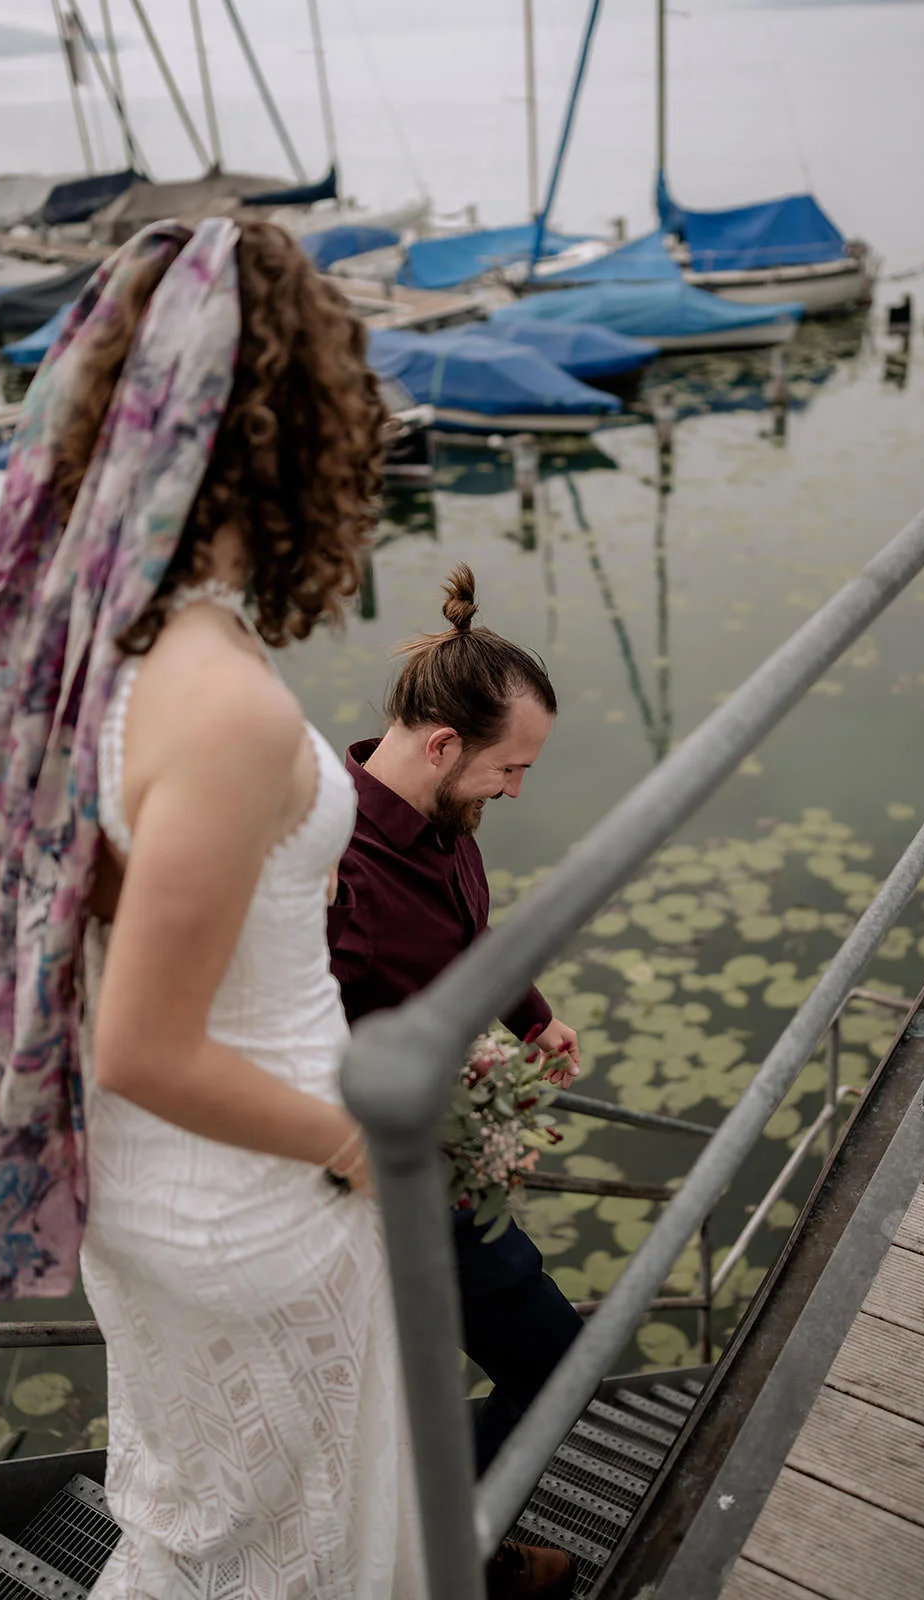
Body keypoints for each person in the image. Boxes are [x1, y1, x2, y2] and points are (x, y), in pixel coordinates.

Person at [0, 218, 423, 1597]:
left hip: (159, 1180)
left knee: (210, 1533)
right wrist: (357, 1140)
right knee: (266, 1558)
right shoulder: (222, 702)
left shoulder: (96, 640)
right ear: (299, 422)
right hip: (256, 1184)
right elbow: (144, 1043)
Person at [329, 565, 584, 1595]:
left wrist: (533, 1014)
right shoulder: (338, 874)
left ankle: (439, 1534)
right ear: (443, 744)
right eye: (509, 768)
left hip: (444, 1162)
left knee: (499, 1371)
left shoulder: (445, 819)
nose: (517, 789)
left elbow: (471, 938)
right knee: (554, 1363)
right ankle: (444, 1548)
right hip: (383, 1188)